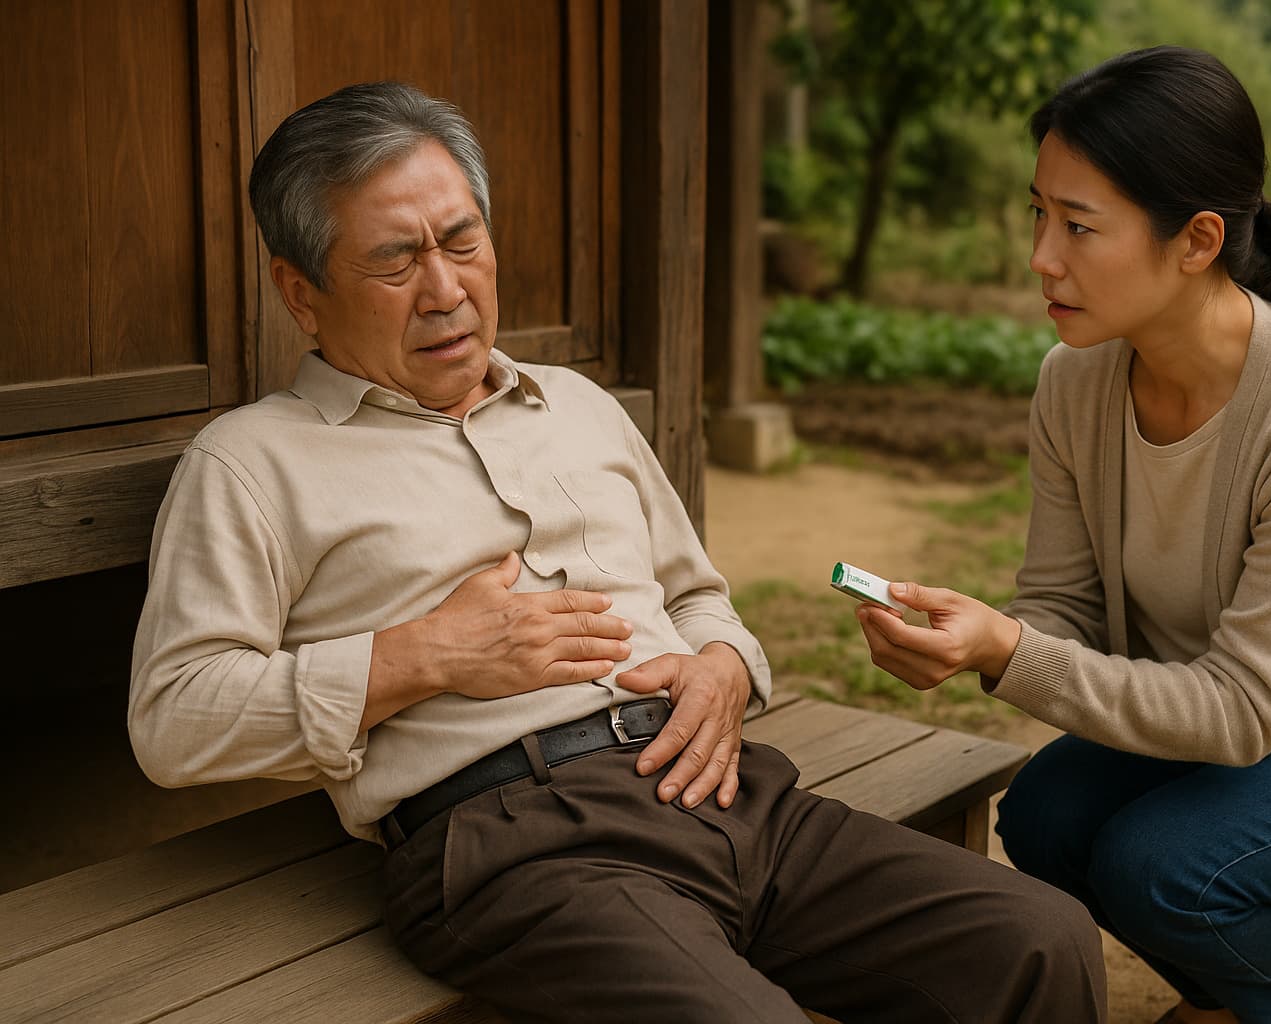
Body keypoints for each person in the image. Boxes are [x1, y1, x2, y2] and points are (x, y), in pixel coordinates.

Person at [127, 81, 1106, 1023]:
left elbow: (699, 596)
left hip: (728, 793)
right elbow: (173, 720)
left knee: (1038, 939)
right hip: (517, 840)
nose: (445, 289)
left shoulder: (580, 406)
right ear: (300, 293)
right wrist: (430, 654)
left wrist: (724, 667)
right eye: (394, 262)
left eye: (463, 241)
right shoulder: (253, 461)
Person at [854, 46, 1271, 1024]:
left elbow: (1243, 709)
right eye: (1039, 211)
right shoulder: (1072, 383)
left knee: (1159, 866)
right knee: (1043, 817)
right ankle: (1228, 988)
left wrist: (1012, 651)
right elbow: (1064, 609)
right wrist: (982, 638)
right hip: (1230, 738)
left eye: (1079, 225)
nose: (1042, 255)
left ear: (1197, 240)